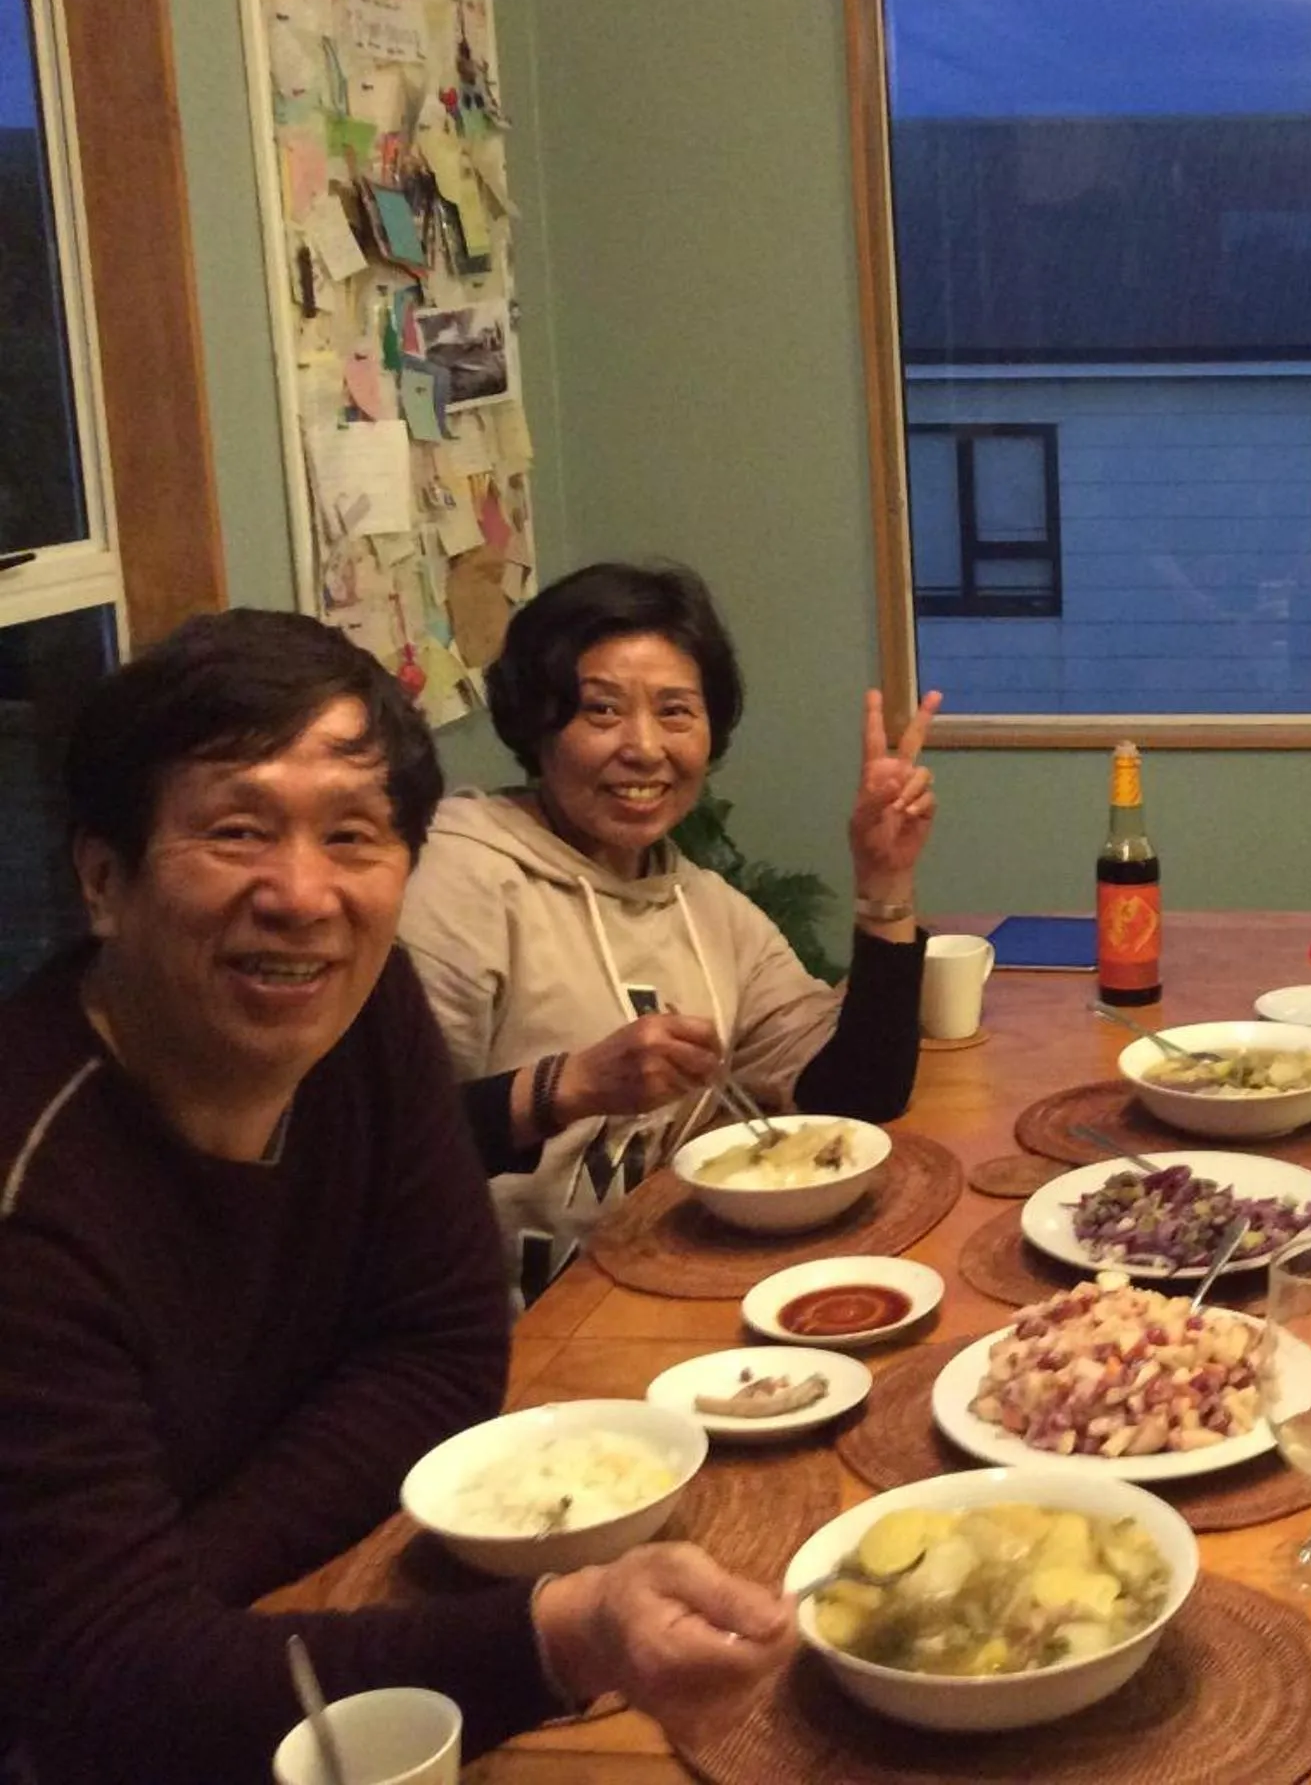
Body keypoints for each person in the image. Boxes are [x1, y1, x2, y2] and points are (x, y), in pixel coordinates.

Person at [0, 610, 795, 1783]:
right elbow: (103, 1691)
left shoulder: (364, 1013)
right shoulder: (33, 1193)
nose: (303, 895)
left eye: (354, 836)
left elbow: (438, 1353)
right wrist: (563, 1632)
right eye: (236, 831)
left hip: (243, 1627)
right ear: (104, 878)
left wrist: (183, 1578)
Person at [398, 562, 939, 1300]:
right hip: (494, 1338)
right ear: (536, 725)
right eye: (601, 711)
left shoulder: (707, 908)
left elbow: (858, 1095)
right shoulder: (457, 884)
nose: (645, 747)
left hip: (650, 1289)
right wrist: (573, 1084)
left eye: (676, 712)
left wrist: (884, 883)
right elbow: (378, 1157)